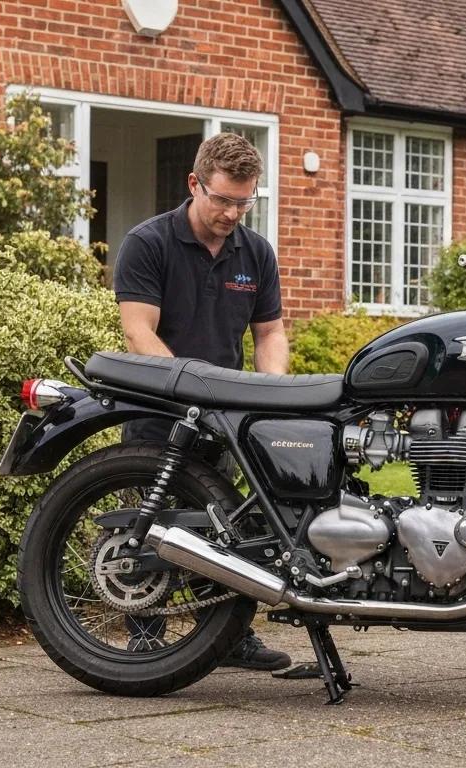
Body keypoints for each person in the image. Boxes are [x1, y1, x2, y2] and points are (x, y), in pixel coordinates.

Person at [113, 131, 291, 672]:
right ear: (194, 184)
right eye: (222, 199)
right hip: (156, 410)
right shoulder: (148, 244)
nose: (233, 213)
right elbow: (137, 332)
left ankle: (231, 638)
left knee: (226, 526)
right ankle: (146, 636)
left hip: (224, 415)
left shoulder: (255, 253)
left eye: (245, 201)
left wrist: (271, 395)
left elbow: (269, 334)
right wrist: (187, 388)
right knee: (156, 521)